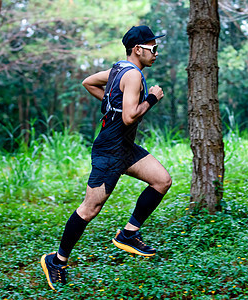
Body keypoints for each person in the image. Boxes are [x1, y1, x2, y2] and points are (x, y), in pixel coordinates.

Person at [40, 25, 172, 290]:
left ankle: (128, 233)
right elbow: (129, 116)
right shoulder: (133, 75)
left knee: (162, 180)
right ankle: (56, 260)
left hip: (125, 148)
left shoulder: (117, 70)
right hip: (109, 152)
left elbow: (88, 82)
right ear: (138, 49)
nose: (157, 52)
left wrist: (112, 104)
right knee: (90, 209)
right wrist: (152, 98)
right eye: (153, 48)